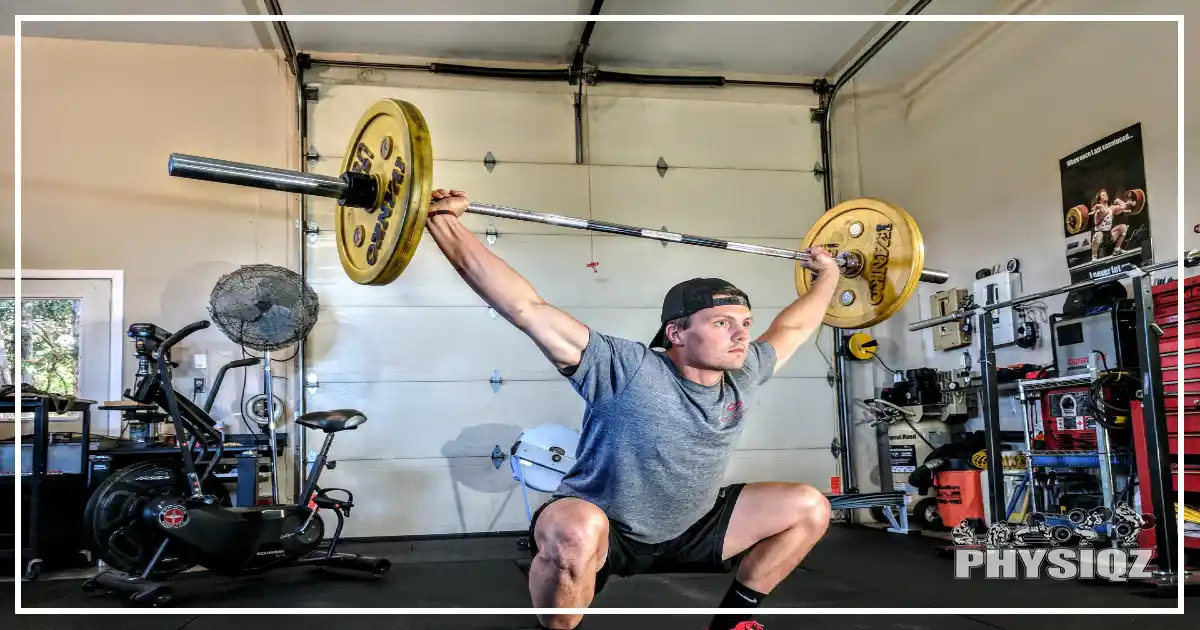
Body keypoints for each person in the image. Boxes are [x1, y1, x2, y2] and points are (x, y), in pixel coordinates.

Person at [425, 189, 840, 630]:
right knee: (572, 532)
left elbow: (794, 325)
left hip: (694, 526)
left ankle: (733, 621)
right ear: (676, 333)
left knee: (810, 507)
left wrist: (829, 276)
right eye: (722, 323)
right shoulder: (625, 367)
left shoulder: (745, 369)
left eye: (745, 324)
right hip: (607, 528)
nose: (740, 335)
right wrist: (444, 222)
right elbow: (525, 307)